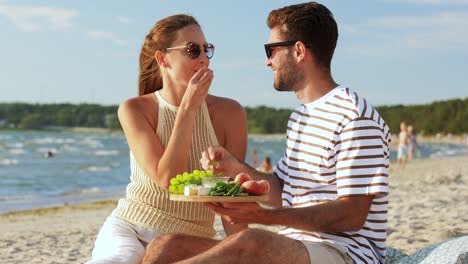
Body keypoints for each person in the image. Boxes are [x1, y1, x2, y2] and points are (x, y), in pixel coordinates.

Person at [142, 2, 391, 264]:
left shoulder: (354, 116)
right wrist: (234, 166)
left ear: (298, 51)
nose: (267, 61)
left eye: (271, 50)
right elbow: (282, 189)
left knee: (251, 242)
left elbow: (352, 214)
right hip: (298, 245)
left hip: (345, 252)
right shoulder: (301, 117)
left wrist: (261, 217)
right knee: (166, 246)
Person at [87, 14, 247, 264]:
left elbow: (230, 199)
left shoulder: (230, 113)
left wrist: (243, 250)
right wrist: (188, 109)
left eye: (206, 49)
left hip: (189, 240)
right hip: (132, 229)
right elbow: (168, 179)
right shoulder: (135, 109)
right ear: (163, 59)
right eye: (192, 50)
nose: (203, 58)